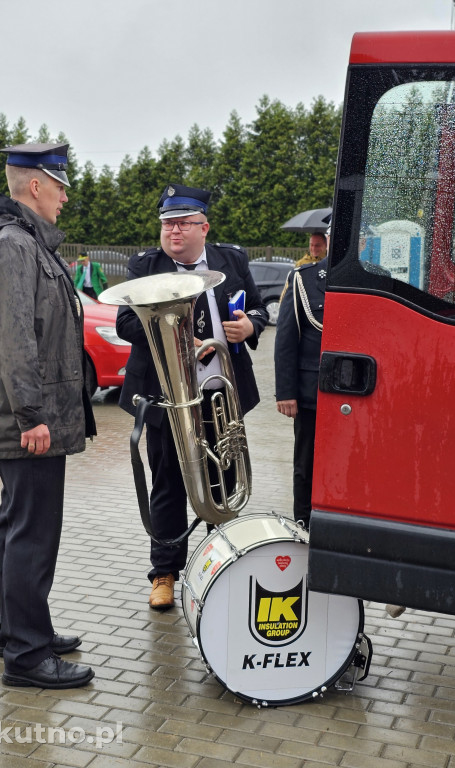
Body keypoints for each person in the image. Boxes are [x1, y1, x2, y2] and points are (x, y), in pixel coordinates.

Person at [0, 142, 97, 689]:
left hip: (28, 417)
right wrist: (31, 416)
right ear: (38, 186)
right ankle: (27, 655)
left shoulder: (26, 243)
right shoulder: (14, 246)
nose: (67, 196)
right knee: (32, 535)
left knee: (16, 526)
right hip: (27, 421)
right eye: (61, 185)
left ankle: (18, 627)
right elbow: (15, 340)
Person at [116, 183, 268, 609]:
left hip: (221, 393)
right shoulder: (146, 265)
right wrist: (176, 337)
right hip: (167, 397)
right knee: (167, 486)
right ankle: (164, 573)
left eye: (182, 223)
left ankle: (220, 566)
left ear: (204, 226)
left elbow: (258, 308)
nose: (173, 231)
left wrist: (249, 327)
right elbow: (127, 324)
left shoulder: (232, 259)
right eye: (167, 224)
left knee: (224, 482)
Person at [274, 255, 327, 529]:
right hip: (312, 393)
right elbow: (285, 338)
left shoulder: (373, 275)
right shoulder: (303, 278)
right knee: (305, 465)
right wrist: (285, 392)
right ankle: (303, 523)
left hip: (361, 392)